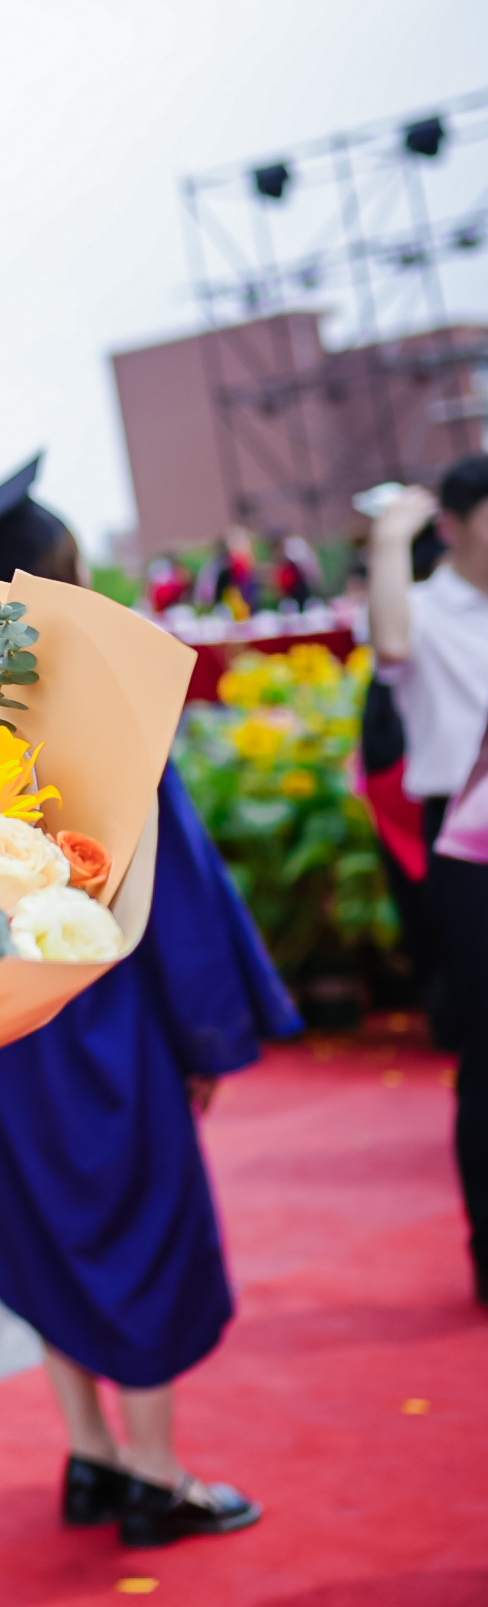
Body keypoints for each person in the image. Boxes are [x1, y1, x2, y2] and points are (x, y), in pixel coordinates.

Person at [0, 471, 298, 1545]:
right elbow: (176, 886)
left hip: (9, 1020)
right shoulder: (113, 700)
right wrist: (206, 1030)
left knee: (48, 1229)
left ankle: (89, 1451)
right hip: (110, 1008)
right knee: (142, 1226)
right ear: (68, 574)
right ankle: (154, 1472)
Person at [367, 457, 488, 1302]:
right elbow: (391, 644)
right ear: (453, 524)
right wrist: (387, 538)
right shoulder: (424, 608)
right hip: (468, 846)